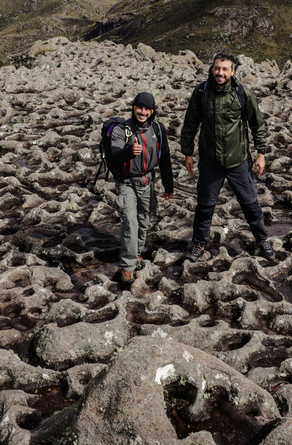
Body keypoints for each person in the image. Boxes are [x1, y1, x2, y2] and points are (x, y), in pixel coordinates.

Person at [180, 53, 274, 261]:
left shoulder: (243, 94)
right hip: (210, 162)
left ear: (232, 72)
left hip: (238, 160)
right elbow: (190, 124)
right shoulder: (201, 92)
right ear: (212, 69)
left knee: (250, 203)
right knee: (205, 206)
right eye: (217, 68)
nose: (220, 73)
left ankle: (262, 239)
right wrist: (187, 152)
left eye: (225, 69)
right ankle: (199, 243)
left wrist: (261, 153)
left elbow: (257, 125)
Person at [109, 91, 174, 284]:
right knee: (130, 221)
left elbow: (165, 158)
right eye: (139, 108)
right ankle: (127, 267)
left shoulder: (158, 129)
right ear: (134, 108)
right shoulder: (122, 130)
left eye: (147, 109)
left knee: (144, 219)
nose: (143, 112)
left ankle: (136, 253)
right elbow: (113, 155)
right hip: (126, 182)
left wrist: (168, 185)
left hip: (147, 182)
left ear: (152, 111)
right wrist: (129, 152)